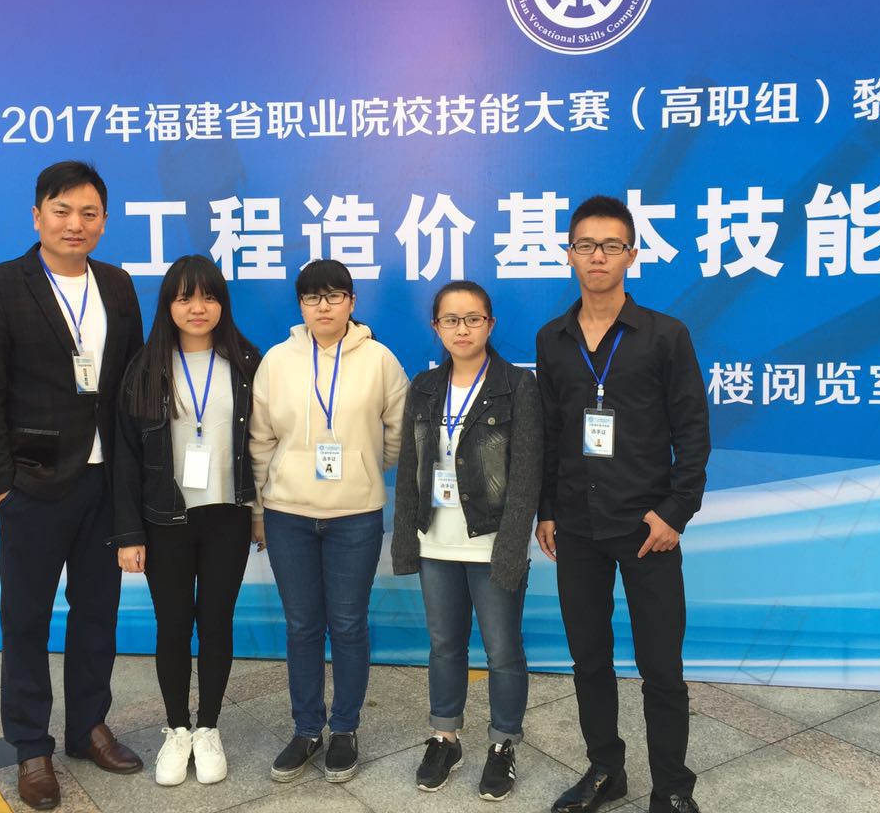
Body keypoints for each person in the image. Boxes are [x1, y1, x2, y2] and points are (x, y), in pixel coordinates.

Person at [0, 161, 145, 810]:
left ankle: (88, 726)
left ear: (103, 221)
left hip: (105, 483)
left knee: (97, 613)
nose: (75, 224)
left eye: (88, 213)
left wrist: (134, 479)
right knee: (26, 619)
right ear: (38, 216)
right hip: (32, 486)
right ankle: (31, 746)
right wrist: (0, 485)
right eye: (62, 211)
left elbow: (130, 385)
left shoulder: (117, 286)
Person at [535, 195, 710, 813]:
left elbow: (693, 430)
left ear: (631, 255)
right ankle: (606, 771)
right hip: (576, 526)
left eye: (611, 246)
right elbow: (551, 432)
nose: (598, 257)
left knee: (661, 667)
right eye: (586, 245)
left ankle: (672, 789)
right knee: (589, 661)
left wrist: (676, 511)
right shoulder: (552, 339)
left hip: (647, 527)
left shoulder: (666, 335)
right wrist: (546, 510)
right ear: (570, 255)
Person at [249, 259, 409, 785]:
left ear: (352, 302)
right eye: (312, 297)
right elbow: (261, 440)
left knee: (347, 625)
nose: (324, 306)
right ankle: (306, 729)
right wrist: (259, 509)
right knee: (301, 626)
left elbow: (397, 430)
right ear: (300, 305)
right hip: (288, 515)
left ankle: (344, 729)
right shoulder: (277, 360)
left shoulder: (379, 359)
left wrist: (364, 467)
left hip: (355, 516)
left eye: (335, 296)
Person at [110, 254, 262, 787]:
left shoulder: (247, 362)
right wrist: (129, 534)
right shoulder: (144, 368)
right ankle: (177, 728)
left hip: (228, 516)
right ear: (168, 305)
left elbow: (263, 443)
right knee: (173, 624)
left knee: (216, 622)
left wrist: (259, 512)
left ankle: (209, 728)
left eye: (209, 297)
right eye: (185, 298)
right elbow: (126, 459)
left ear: (223, 303)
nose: (198, 308)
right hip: (164, 520)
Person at [391, 280, 542, 801]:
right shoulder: (425, 386)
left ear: (490, 324)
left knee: (503, 650)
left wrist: (512, 546)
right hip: (436, 540)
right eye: (451, 320)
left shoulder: (516, 385)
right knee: (444, 645)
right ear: (436, 327)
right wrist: (406, 541)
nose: (462, 329)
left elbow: (526, 474)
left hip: (491, 540)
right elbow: (409, 467)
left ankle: (502, 744)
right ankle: (445, 738)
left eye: (473, 319)